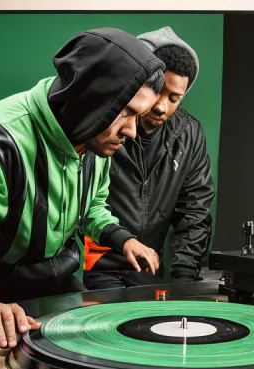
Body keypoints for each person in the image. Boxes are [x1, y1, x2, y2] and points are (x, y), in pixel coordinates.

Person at [0, 27, 166, 348]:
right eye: (127, 112)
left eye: (139, 115)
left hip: (55, 284)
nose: (132, 131)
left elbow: (92, 206)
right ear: (92, 98)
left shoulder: (97, 137)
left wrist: (124, 239)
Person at [82, 27, 216, 291]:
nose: (162, 106)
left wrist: (184, 281)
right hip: (95, 265)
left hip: (149, 268)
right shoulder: (101, 123)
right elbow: (80, 202)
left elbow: (195, 213)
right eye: (159, 92)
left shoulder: (189, 134)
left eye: (175, 98)